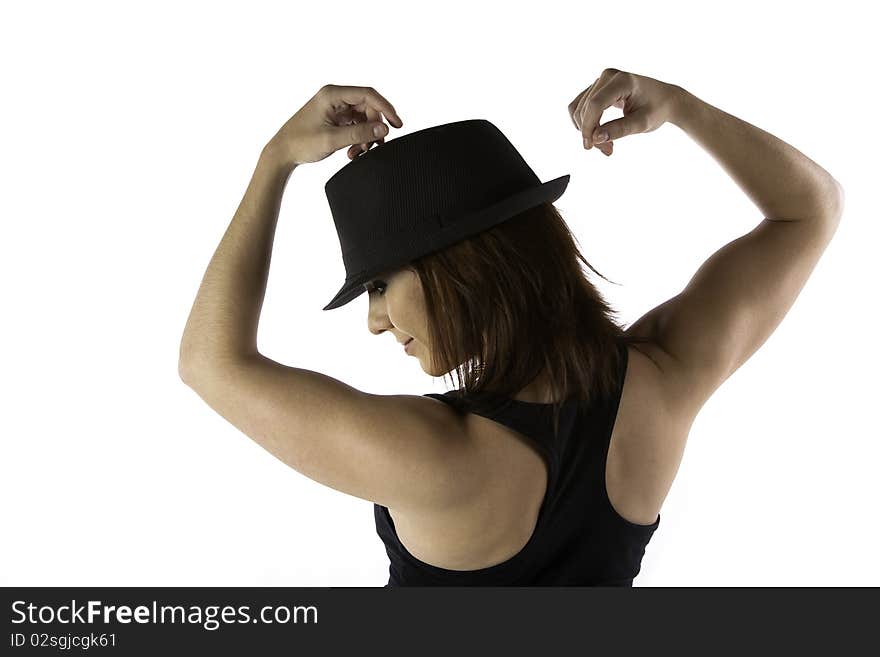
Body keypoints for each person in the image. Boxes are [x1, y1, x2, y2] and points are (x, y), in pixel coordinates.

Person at [178, 69, 844, 586]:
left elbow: (210, 363)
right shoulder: (666, 378)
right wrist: (680, 106)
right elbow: (809, 211)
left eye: (380, 285)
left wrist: (274, 162)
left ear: (463, 266)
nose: (377, 322)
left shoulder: (434, 457)